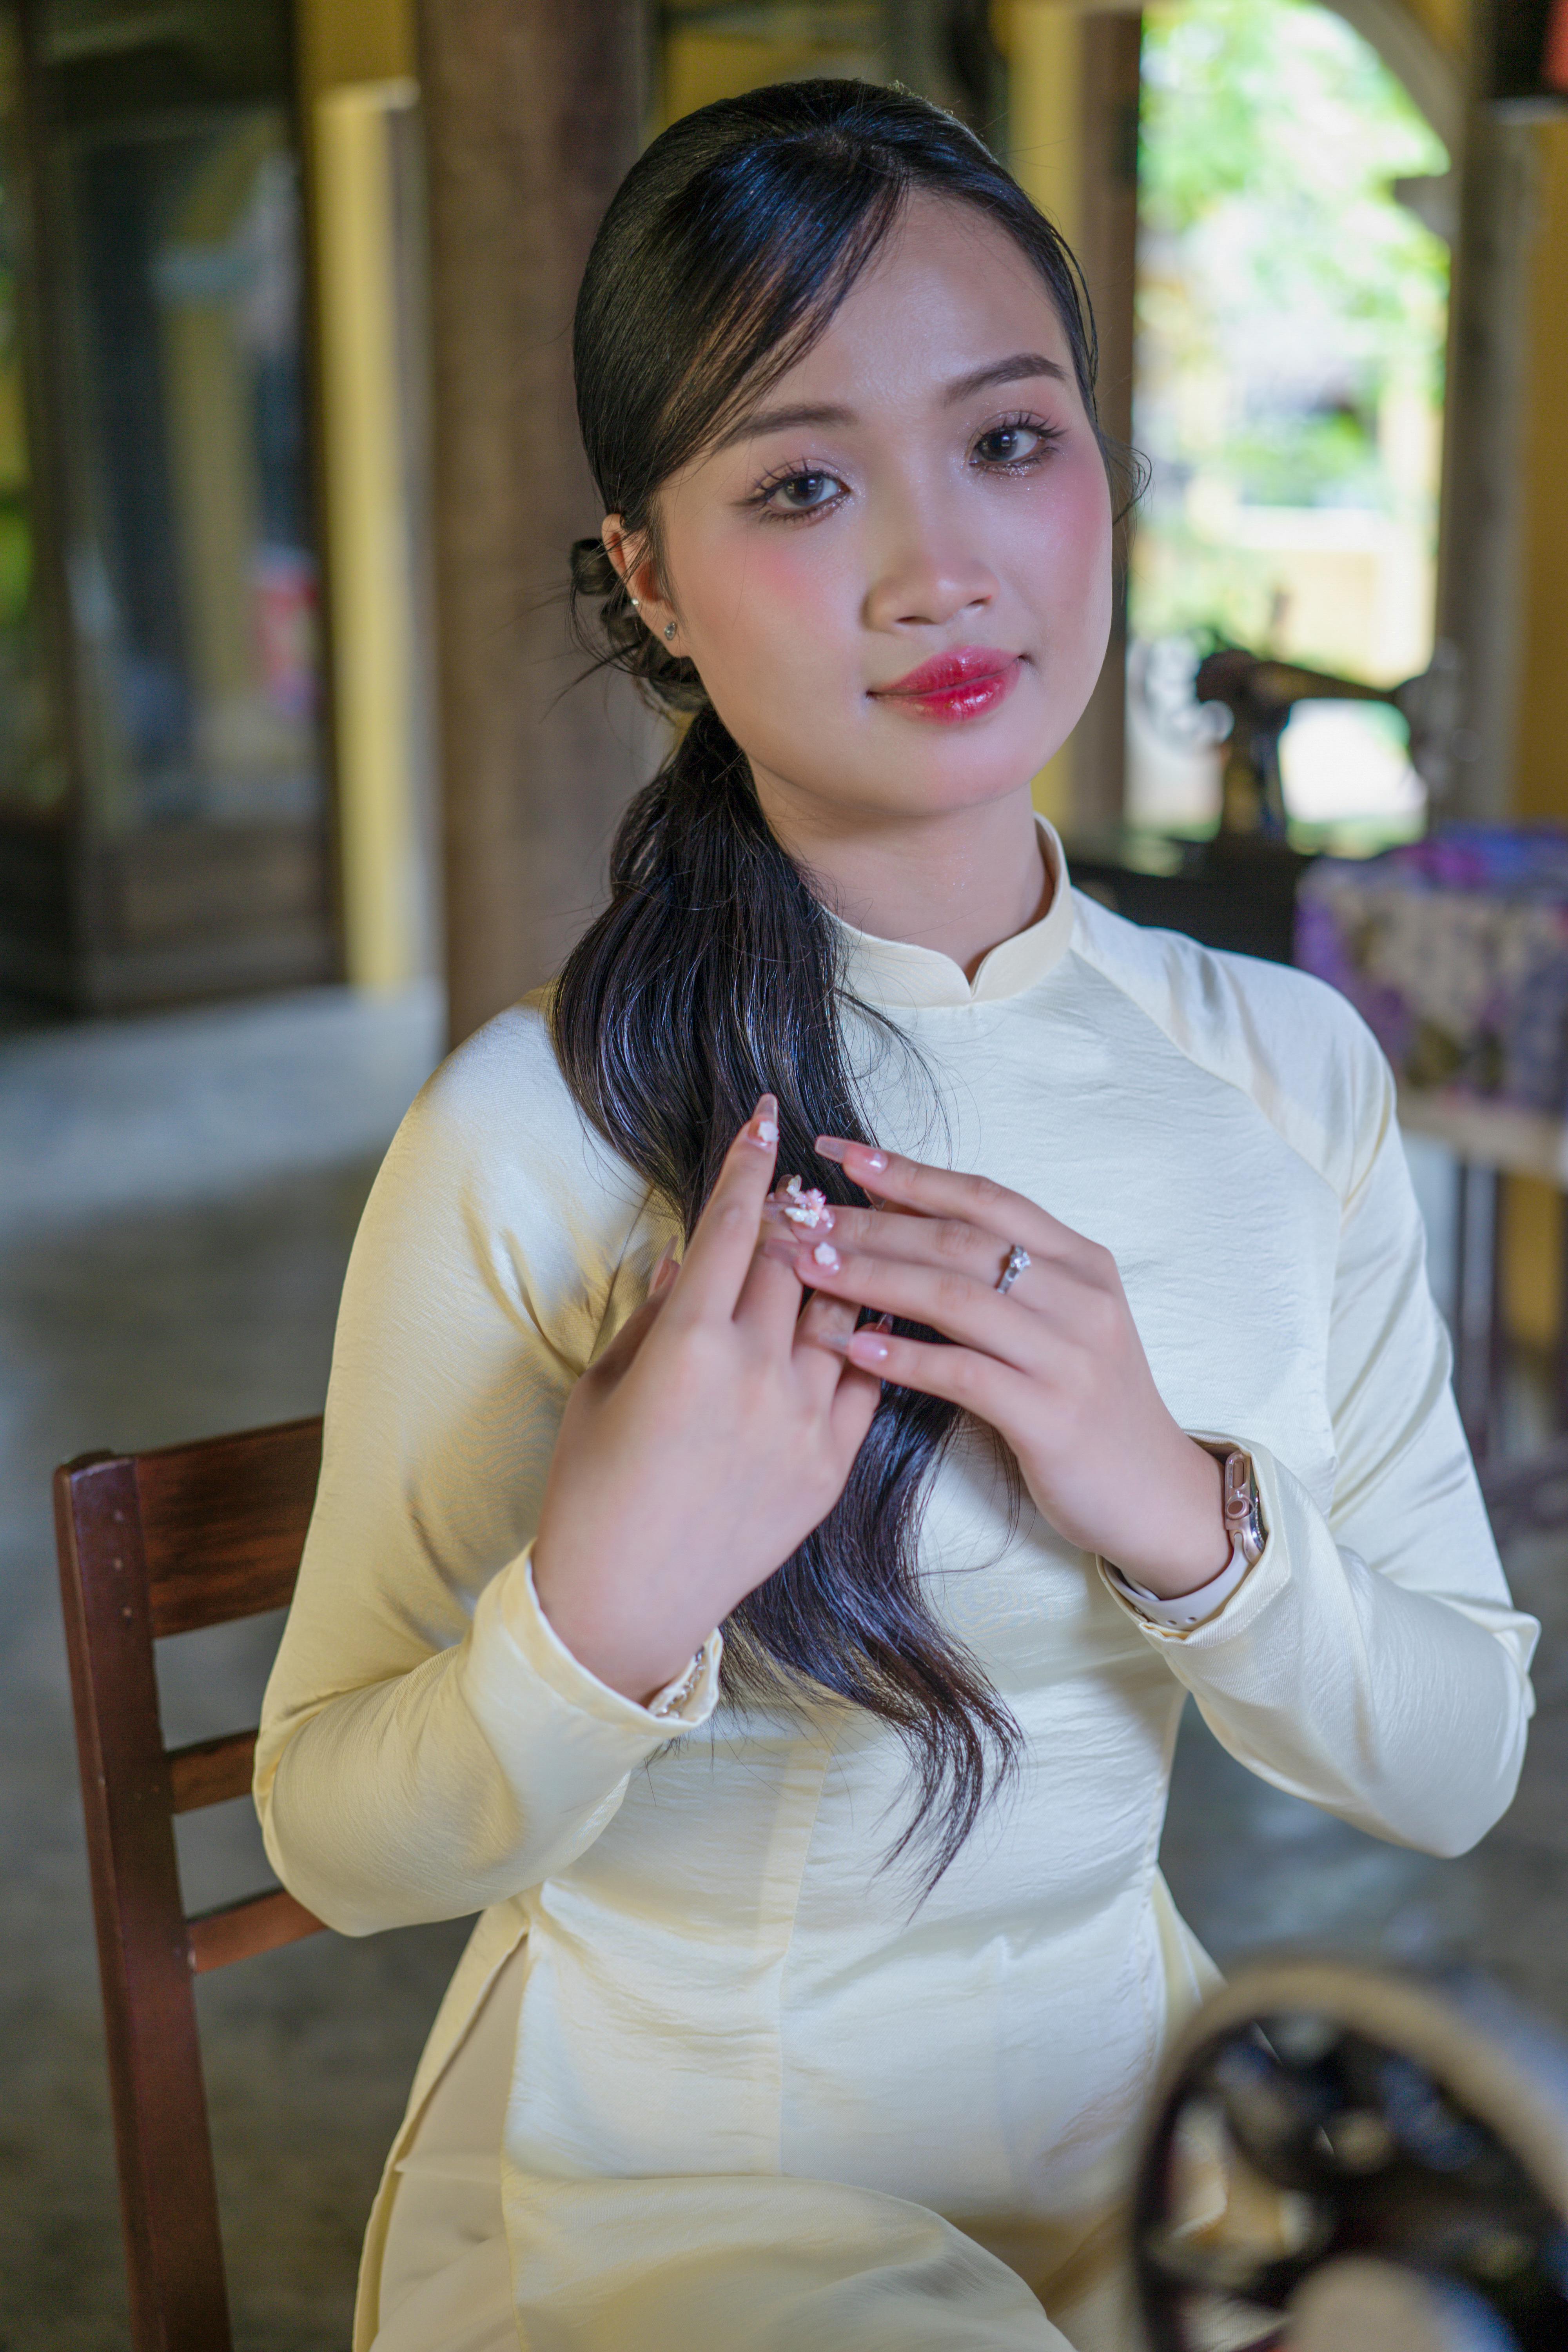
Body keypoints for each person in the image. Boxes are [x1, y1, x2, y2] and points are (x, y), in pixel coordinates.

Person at [255, 79, 1538, 2352]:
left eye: (1013, 442)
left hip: (1136, 2148)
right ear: (645, 572)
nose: (942, 569)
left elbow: (1451, 1772)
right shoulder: (542, 1127)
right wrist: (601, 1603)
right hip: (670, 2207)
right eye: (803, 482)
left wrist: (1177, 1505)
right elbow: (338, 1843)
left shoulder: (1289, 1069)